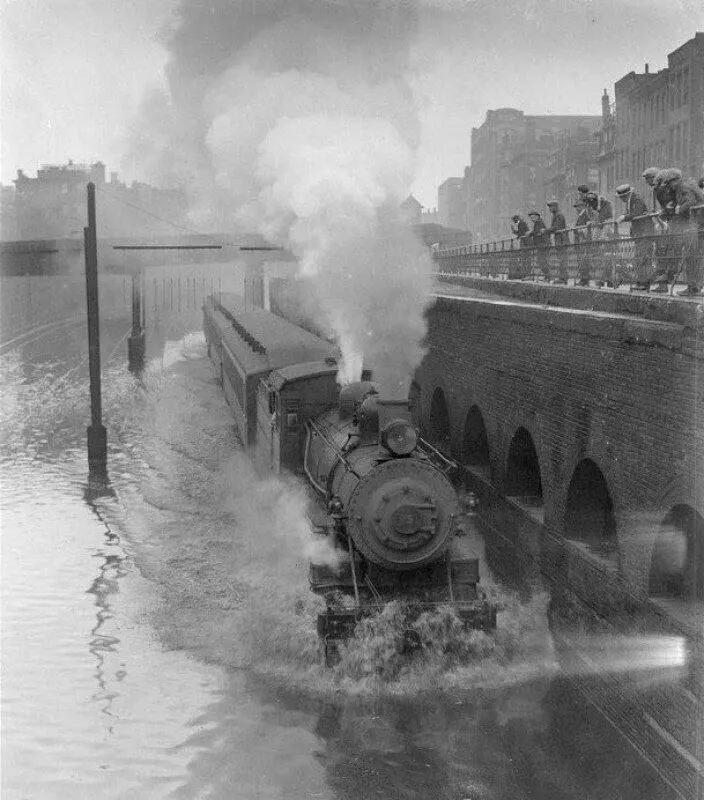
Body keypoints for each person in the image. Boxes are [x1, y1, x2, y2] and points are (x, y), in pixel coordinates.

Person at [659, 169, 704, 296]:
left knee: (692, 257)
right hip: (696, 224)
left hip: (695, 224)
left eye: (669, 183)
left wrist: (679, 209)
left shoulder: (683, 186)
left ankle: (693, 288)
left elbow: (690, 202)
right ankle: (693, 287)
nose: (669, 186)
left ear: (676, 180)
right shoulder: (683, 186)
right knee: (693, 257)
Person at [615, 183, 653, 291]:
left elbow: (636, 214)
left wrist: (623, 217)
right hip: (641, 233)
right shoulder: (631, 200)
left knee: (643, 257)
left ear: (625, 195)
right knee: (641, 257)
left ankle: (643, 283)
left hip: (644, 233)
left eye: (621, 197)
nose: (621, 199)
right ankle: (642, 282)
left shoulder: (636, 199)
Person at [545, 200, 569, 283]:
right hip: (559, 239)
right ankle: (562, 277)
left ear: (556, 207)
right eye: (549, 207)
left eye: (551, 207)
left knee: (562, 259)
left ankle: (563, 278)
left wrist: (546, 231)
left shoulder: (558, 215)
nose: (550, 209)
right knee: (561, 258)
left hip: (561, 240)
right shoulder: (556, 215)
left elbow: (556, 227)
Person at [527, 210, 549, 280]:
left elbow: (538, 233)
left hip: (542, 244)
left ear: (537, 216)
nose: (531, 219)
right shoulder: (538, 222)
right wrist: (530, 233)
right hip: (541, 244)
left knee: (541, 261)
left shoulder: (539, 222)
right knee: (541, 261)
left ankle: (548, 276)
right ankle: (547, 276)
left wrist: (531, 234)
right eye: (531, 218)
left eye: (533, 217)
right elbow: (535, 232)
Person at [509, 215, 530, 279]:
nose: (514, 222)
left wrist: (514, 232)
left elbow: (521, 233)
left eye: (514, 220)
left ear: (516, 219)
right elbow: (522, 232)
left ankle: (526, 273)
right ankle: (525, 273)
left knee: (524, 257)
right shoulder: (522, 223)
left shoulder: (521, 223)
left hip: (524, 241)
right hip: (525, 241)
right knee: (524, 257)